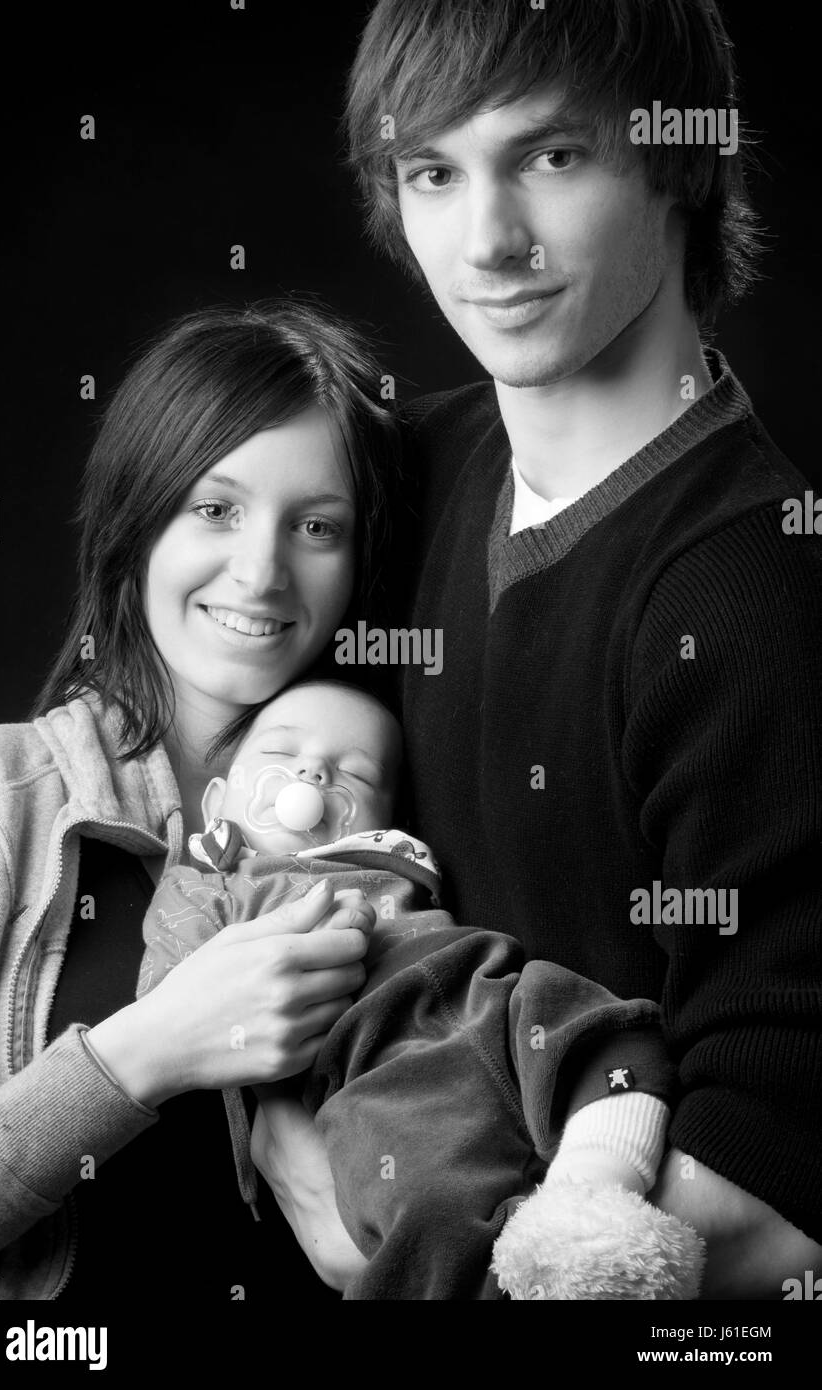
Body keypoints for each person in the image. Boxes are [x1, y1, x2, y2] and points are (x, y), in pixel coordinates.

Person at [339, 0, 822, 1297]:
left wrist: (364, 1237)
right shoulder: (405, 472)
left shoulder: (757, 591)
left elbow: (772, 1183)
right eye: (433, 172)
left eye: (549, 157)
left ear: (677, 161)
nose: (487, 243)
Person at [0, 300, 400, 1300]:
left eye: (315, 525)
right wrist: (150, 1047)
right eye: (214, 508)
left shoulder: (395, 823)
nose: (260, 570)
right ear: (136, 515)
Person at [138, 676, 704, 1299]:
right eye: (281, 754)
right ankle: (545, 1272)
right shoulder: (211, 885)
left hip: (475, 981)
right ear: (217, 799)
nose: (314, 774)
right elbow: (168, 1007)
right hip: (374, 1061)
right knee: (427, 1202)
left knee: (606, 1033)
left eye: (354, 773)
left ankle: (591, 1194)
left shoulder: (394, 861)